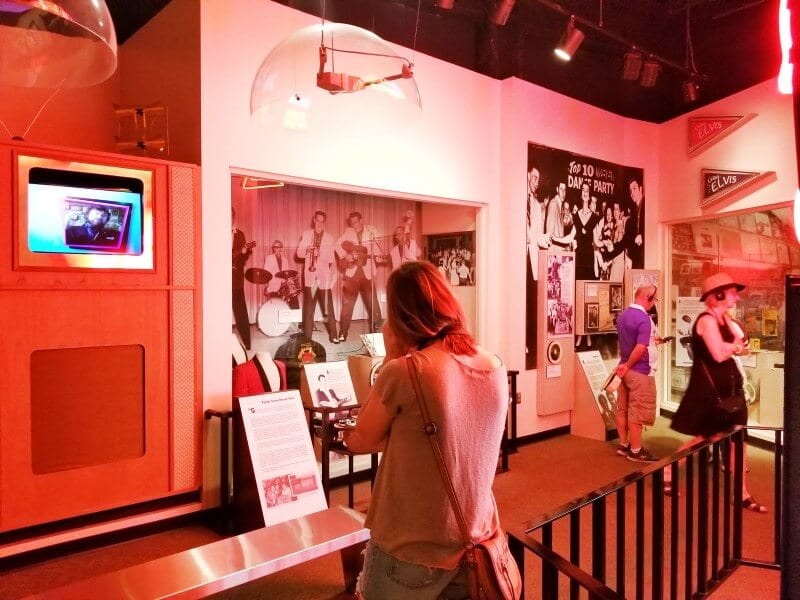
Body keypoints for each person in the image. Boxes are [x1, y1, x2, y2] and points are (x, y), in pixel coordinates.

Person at [343, 261, 512, 599]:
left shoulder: (407, 371)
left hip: (409, 549)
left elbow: (360, 439)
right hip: (475, 541)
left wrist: (392, 354)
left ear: (401, 315)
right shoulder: (494, 365)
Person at [668, 273, 766, 512]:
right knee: (705, 438)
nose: (737, 297)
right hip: (711, 395)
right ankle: (667, 470)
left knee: (738, 442)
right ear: (718, 294)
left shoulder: (726, 320)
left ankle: (741, 492)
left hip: (731, 390)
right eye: (733, 292)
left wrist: (737, 347)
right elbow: (719, 353)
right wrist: (734, 347)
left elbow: (743, 349)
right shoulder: (706, 321)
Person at [613, 284, 660, 462]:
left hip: (625, 369)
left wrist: (624, 366)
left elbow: (632, 341)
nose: (654, 303)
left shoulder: (623, 315)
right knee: (637, 412)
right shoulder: (644, 318)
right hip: (639, 371)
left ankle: (623, 445)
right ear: (646, 297)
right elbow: (640, 348)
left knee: (622, 409)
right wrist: (629, 365)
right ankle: (635, 450)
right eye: (654, 299)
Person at [335, 211, 386, 342]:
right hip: (352, 274)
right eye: (352, 223)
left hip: (367, 273)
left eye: (356, 222)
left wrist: (379, 258)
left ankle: (377, 333)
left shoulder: (371, 231)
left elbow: (377, 250)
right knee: (347, 305)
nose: (354, 225)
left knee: (373, 304)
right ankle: (343, 332)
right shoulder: (348, 232)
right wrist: (345, 255)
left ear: (362, 220)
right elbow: (336, 245)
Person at [296, 210, 338, 343]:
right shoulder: (306, 234)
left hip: (323, 278)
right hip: (310, 277)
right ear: (314, 220)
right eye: (317, 220)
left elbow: (331, 258)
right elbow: (298, 254)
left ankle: (334, 336)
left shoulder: (330, 238)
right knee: (309, 309)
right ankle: (307, 338)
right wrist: (306, 250)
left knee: (328, 307)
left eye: (322, 221)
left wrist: (321, 254)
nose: (319, 223)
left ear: (324, 222)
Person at [231, 207, 253, 350]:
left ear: (234, 217)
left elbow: (243, 258)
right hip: (218, 278)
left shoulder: (240, 235)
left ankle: (247, 343)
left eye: (230, 216)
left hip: (236, 277)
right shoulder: (215, 232)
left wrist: (245, 252)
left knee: (240, 311)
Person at [573, 182, 599, 280]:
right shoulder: (575, 216)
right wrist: (554, 237)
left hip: (589, 261)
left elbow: (597, 242)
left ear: (589, 195)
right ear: (580, 193)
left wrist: (608, 244)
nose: (585, 192)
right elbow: (570, 237)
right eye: (583, 190)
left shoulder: (594, 217)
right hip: (578, 260)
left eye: (587, 190)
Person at [264, 240, 299, 308]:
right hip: (274, 287)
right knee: (277, 306)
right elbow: (267, 274)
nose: (275, 249)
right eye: (274, 247)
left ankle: (295, 316)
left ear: (281, 249)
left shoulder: (285, 260)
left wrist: (292, 278)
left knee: (294, 296)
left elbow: (287, 274)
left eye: (277, 247)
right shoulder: (268, 258)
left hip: (284, 287)